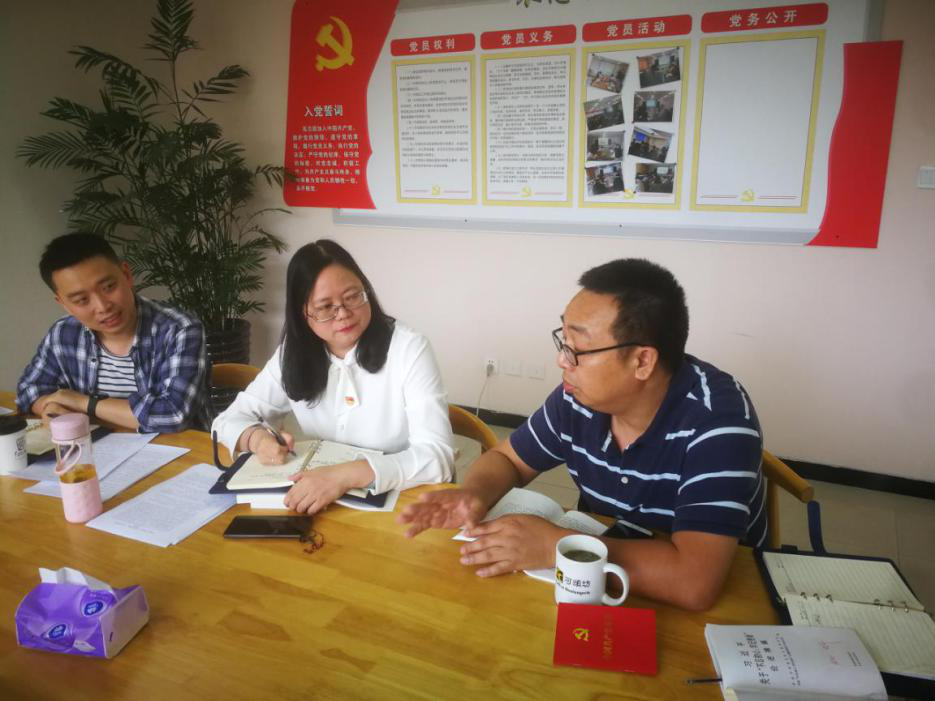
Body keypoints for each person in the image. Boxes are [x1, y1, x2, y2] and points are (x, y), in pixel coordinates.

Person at [399, 259, 765, 612]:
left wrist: (555, 547)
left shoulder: (719, 423)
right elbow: (507, 459)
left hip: (718, 604)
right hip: (608, 585)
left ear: (642, 361)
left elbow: (695, 582)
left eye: (578, 349)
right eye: (563, 340)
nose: (562, 360)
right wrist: (474, 495)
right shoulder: (577, 400)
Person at [212, 240, 454, 514]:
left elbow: (438, 457)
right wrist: (257, 439)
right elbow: (227, 420)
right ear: (303, 314)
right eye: (326, 307)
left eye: (352, 297)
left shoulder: (409, 349)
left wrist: (344, 475)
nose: (344, 314)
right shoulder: (293, 353)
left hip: (399, 500)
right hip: (321, 501)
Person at [16, 232, 208, 432]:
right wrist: (49, 407)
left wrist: (82, 402)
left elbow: (174, 415)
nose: (102, 306)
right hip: (96, 445)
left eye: (108, 287)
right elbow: (28, 390)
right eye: (82, 300)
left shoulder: (178, 329)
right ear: (63, 303)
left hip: (180, 447)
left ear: (126, 275)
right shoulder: (64, 333)